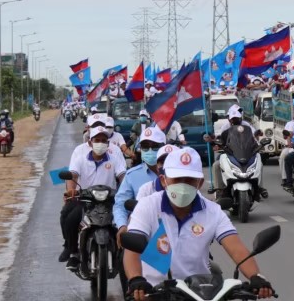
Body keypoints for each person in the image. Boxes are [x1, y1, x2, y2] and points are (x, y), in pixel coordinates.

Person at [124, 147, 275, 300]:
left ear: (200, 182)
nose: (183, 185)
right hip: (153, 291)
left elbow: (236, 248)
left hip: (200, 293)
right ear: (164, 180)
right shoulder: (147, 206)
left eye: (189, 180)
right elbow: (132, 250)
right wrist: (136, 279)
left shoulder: (213, 211)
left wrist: (256, 276)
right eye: (177, 179)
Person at [59, 125, 126, 268]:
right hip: (86, 199)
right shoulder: (80, 159)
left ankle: (123, 253)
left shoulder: (115, 159)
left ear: (108, 143)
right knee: (69, 218)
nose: (100, 143)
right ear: (90, 142)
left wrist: (126, 190)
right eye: (97, 140)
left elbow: (123, 177)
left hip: (109, 200)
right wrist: (71, 190)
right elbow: (73, 175)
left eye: (104, 140)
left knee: (123, 221)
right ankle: (73, 251)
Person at [114, 127, 167, 247]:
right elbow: (120, 204)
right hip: (141, 234)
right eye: (145, 147)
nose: (150, 151)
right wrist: (122, 225)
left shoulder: (176, 173)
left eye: (155, 147)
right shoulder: (132, 175)